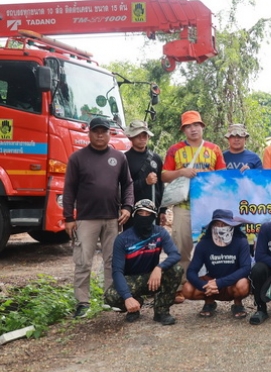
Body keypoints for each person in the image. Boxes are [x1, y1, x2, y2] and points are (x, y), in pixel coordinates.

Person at [63, 117, 134, 318]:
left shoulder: (119, 157)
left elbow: (127, 184)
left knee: (112, 261)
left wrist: (127, 207)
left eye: (104, 131)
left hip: (112, 218)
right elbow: (69, 189)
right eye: (96, 131)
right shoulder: (77, 158)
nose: (100, 135)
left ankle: (110, 299)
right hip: (86, 219)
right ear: (90, 133)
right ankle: (82, 303)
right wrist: (68, 217)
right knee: (83, 261)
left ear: (110, 133)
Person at [162, 110, 226, 301]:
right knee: (180, 247)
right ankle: (180, 286)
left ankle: (212, 284)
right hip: (184, 207)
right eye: (188, 126)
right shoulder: (175, 150)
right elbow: (164, 175)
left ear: (202, 127)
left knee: (211, 247)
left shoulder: (214, 149)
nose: (193, 129)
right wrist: (181, 172)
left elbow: (223, 177)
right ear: (184, 130)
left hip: (209, 208)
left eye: (196, 125)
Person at [104, 199, 182, 325]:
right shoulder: (123, 238)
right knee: (111, 296)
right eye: (140, 213)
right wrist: (127, 297)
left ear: (154, 216)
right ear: (134, 215)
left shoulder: (159, 232)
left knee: (176, 269)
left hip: (153, 278)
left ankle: (161, 311)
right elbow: (117, 271)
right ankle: (135, 305)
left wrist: (159, 268)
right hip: (131, 279)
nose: (144, 217)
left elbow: (175, 255)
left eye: (148, 214)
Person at [182, 209, 253, 319]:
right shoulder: (204, 244)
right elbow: (191, 270)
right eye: (217, 224)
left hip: (232, 284)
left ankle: (238, 304)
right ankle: (209, 302)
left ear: (232, 226)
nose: (220, 227)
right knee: (187, 289)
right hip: (211, 284)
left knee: (243, 284)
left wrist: (219, 283)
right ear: (212, 226)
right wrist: (204, 286)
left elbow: (246, 268)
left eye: (224, 224)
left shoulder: (241, 241)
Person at [124, 120, 166, 228]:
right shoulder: (125, 159)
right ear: (130, 137)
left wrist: (163, 210)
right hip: (132, 213)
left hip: (153, 212)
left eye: (145, 135)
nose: (142, 139)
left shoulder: (156, 158)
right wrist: (145, 182)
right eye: (138, 136)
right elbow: (123, 189)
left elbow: (161, 186)